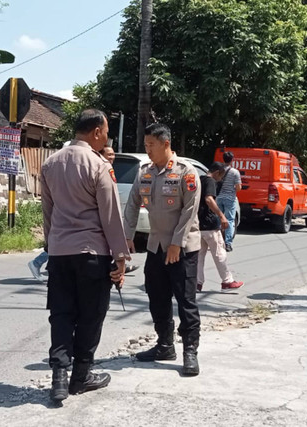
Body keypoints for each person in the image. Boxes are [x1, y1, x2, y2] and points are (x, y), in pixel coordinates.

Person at [41, 109, 131, 402]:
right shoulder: (99, 165)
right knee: (91, 316)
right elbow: (111, 216)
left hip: (59, 253)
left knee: (62, 314)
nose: (106, 137)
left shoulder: (51, 163)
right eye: (105, 131)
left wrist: (50, 244)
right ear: (96, 132)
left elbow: (48, 213)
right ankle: (81, 376)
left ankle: (58, 377)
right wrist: (120, 258)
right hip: (92, 253)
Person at [124, 123, 202, 376]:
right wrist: (127, 236)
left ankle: (190, 351)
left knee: (185, 301)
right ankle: (164, 345)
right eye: (145, 145)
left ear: (166, 144)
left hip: (183, 248)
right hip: (156, 246)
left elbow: (190, 211)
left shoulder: (186, 172)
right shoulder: (145, 171)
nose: (147, 150)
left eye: (151, 145)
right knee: (157, 298)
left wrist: (176, 243)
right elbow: (133, 203)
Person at [197, 162, 244, 292]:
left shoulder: (200, 179)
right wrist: (221, 215)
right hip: (210, 224)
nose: (221, 179)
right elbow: (209, 200)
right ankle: (227, 281)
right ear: (217, 172)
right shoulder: (211, 181)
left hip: (199, 224)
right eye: (221, 176)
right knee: (219, 253)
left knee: (199, 256)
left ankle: (197, 283)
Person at [99, 146, 140, 274]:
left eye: (113, 154)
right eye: (108, 154)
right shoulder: (100, 169)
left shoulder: (109, 169)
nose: (112, 157)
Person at [216, 151, 241, 251]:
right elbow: (238, 187)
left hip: (219, 197)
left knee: (218, 219)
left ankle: (217, 241)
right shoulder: (235, 172)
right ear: (232, 160)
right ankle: (228, 243)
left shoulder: (219, 171)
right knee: (230, 220)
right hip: (230, 198)